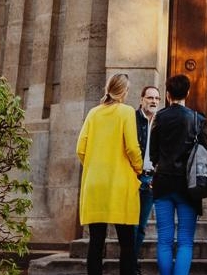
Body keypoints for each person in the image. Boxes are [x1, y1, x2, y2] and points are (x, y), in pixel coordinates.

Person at [79, 73, 144, 275]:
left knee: (95, 242)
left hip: (95, 184)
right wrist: (139, 168)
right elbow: (132, 147)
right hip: (119, 183)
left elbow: (80, 148)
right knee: (126, 242)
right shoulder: (126, 112)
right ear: (124, 91)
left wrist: (94, 165)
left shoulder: (93, 113)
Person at [150, 74, 207, 275]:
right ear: (188, 93)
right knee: (185, 240)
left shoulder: (159, 117)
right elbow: (205, 153)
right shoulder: (197, 119)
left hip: (163, 182)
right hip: (188, 186)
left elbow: (153, 153)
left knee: (164, 239)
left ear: (167, 95)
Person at [136, 83, 163, 249]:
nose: (154, 101)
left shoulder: (160, 122)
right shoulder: (131, 119)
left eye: (157, 98)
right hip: (134, 177)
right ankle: (129, 263)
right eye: (150, 98)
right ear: (142, 100)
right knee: (130, 225)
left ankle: (134, 264)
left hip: (150, 179)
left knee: (141, 226)